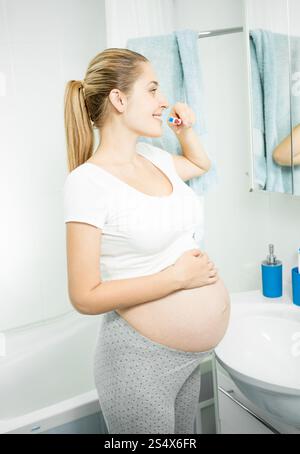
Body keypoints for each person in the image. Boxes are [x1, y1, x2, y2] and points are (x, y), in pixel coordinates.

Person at [63, 48, 230, 434]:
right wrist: (178, 278)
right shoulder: (87, 183)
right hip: (139, 362)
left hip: (188, 358)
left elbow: (201, 165)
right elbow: (84, 295)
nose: (163, 101)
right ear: (119, 99)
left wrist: (184, 131)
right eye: (153, 90)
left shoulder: (154, 157)